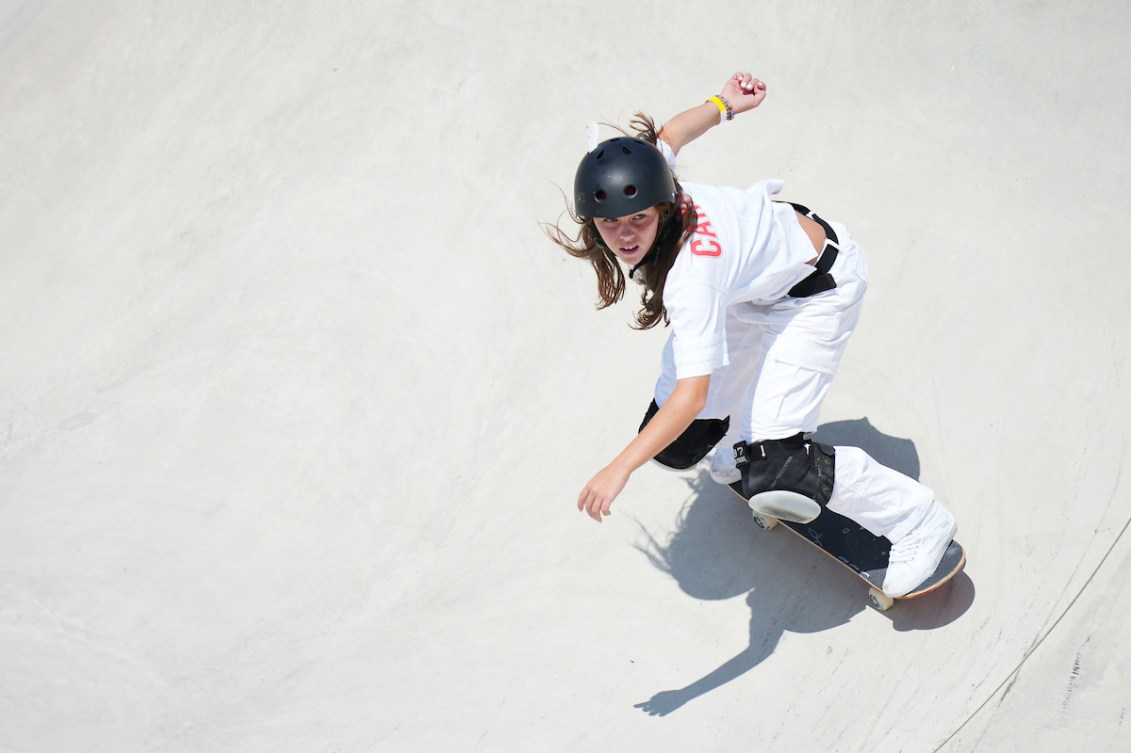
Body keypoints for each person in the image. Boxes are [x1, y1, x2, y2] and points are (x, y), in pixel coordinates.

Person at [547, 71, 956, 598]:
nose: (625, 237)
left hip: (817, 291)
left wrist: (619, 467)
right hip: (749, 289)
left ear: (663, 207)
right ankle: (739, 442)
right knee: (679, 443)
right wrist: (725, 103)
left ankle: (918, 522)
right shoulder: (653, 174)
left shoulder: (692, 278)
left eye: (640, 221)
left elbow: (693, 394)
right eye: (610, 224)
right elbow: (670, 135)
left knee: (777, 464)